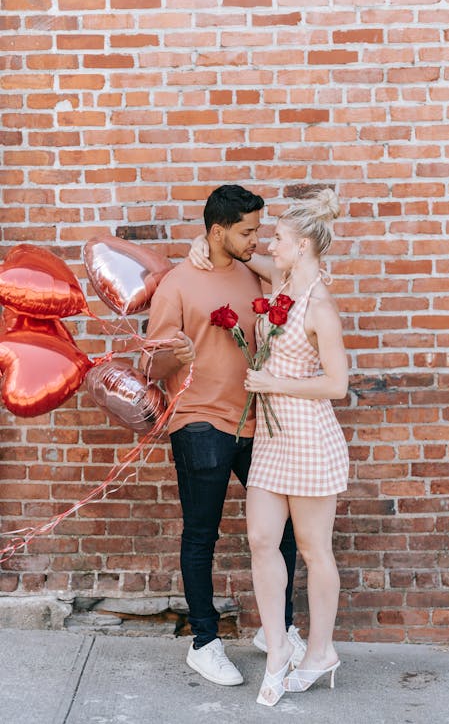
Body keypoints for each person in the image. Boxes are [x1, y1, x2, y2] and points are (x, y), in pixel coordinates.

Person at [190, 187, 349, 706]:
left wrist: (272, 385)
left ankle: (320, 652)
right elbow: (235, 252)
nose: (268, 243)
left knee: (313, 549)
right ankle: (277, 649)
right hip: (272, 439)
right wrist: (200, 246)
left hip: (308, 436)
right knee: (261, 539)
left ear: (302, 245)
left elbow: (337, 385)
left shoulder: (320, 306)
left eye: (278, 237)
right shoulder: (279, 280)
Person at [141, 184, 305, 688]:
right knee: (201, 535)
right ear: (217, 231)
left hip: (257, 421)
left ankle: (277, 629)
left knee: (284, 533)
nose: (256, 239)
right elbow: (149, 364)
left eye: (258, 230)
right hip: (200, 423)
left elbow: (292, 284)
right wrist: (176, 354)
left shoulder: (253, 273)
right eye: (247, 231)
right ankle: (205, 644)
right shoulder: (177, 285)